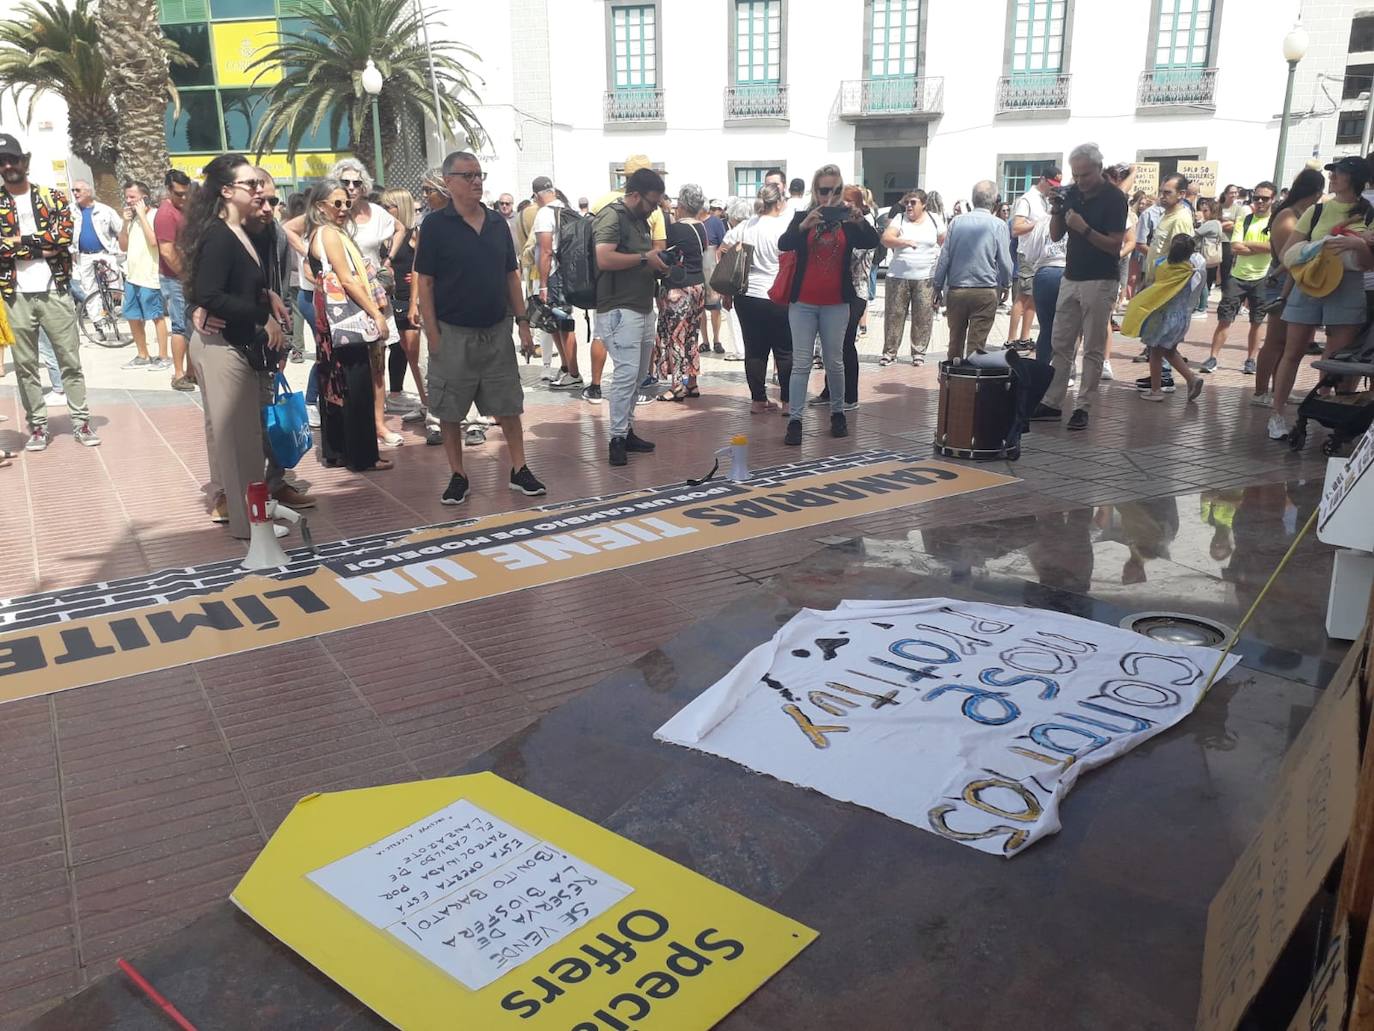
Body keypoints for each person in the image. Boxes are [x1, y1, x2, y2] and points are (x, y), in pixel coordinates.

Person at [414, 151, 546, 501]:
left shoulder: (496, 223)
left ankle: (519, 469)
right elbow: (424, 282)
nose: (476, 181)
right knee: (450, 409)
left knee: (508, 404)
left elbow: (511, 275)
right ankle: (458, 475)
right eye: (468, 175)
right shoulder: (435, 226)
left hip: (496, 331)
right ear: (449, 182)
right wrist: (434, 335)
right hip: (452, 332)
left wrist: (523, 323)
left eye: (479, 174)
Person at [182, 154, 288, 537]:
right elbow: (209, 292)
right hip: (221, 346)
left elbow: (236, 283)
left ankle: (256, 520)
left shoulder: (245, 231)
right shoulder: (218, 235)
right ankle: (249, 527)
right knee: (237, 444)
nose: (260, 189)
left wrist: (266, 295)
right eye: (251, 185)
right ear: (226, 191)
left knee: (248, 440)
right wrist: (262, 317)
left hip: (238, 346)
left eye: (260, 185)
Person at [0, 131, 99, 450]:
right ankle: (38, 427)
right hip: (14, 294)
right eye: (1, 162)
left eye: (12, 159)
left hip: (55, 289)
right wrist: (39, 243)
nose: (7, 166)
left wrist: (17, 245)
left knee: (69, 359)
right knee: (25, 365)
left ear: (23, 161)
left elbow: (62, 240)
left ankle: (81, 422)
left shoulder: (53, 197)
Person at [1271, 156, 1374, 440]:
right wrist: (1319, 245)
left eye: (1339, 173)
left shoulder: (1369, 213)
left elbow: (1369, 263)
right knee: (1292, 352)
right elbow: (1288, 253)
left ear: (1355, 178)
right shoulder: (1316, 211)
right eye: (1333, 173)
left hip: (1348, 286)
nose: (1333, 177)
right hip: (1311, 283)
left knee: (1337, 359)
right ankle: (1277, 414)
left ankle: (1331, 416)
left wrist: (1356, 244)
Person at [1030, 142, 1129, 432]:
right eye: (1076, 175)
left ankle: (1083, 406)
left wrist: (1084, 227)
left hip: (1101, 279)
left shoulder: (1114, 198)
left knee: (1093, 347)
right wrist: (1058, 211)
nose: (1080, 181)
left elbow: (1114, 245)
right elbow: (1056, 233)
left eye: (1085, 175)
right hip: (1071, 276)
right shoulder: (1072, 192)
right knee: (1060, 343)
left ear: (1099, 169)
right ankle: (1052, 402)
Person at [777, 163, 879, 445]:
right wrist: (803, 225)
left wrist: (859, 219)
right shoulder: (803, 215)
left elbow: (872, 242)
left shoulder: (847, 219)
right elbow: (784, 244)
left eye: (835, 190)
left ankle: (838, 413)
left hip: (836, 302)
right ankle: (795, 421)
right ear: (815, 189)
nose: (829, 196)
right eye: (824, 190)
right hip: (804, 303)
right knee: (801, 363)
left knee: (835, 362)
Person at [305, 178, 392, 475]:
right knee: (356, 385)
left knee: (335, 384)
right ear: (320, 207)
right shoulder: (329, 234)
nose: (343, 208)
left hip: (330, 322)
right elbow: (347, 279)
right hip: (348, 320)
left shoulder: (318, 233)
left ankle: (337, 450)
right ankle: (363, 455)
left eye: (346, 203)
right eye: (336, 203)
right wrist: (376, 314)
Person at [591, 165, 668, 465]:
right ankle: (617, 438)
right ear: (634, 195)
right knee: (625, 375)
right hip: (619, 309)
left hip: (641, 306)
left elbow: (641, 259)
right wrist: (643, 257)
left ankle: (626, 429)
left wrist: (658, 263)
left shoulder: (640, 221)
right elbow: (604, 257)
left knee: (637, 376)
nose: (654, 210)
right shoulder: (612, 216)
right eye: (651, 203)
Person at [328, 159, 407, 448]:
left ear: (365, 185)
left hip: (376, 296)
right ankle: (355, 426)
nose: (351, 188)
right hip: (344, 299)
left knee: (377, 364)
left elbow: (400, 228)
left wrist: (387, 261)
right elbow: (293, 229)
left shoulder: (377, 213)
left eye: (356, 182)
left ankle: (378, 424)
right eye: (345, 182)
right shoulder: (333, 213)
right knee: (348, 364)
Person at [1252, 169, 1323, 408]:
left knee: (1290, 343)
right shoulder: (1288, 216)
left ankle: (1279, 388)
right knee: (1275, 340)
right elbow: (1287, 258)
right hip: (1282, 279)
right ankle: (1261, 391)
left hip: (1299, 279)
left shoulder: (1302, 214)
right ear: (1315, 192)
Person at [721, 183, 792, 412]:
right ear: (779, 201)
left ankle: (758, 400)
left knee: (754, 349)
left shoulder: (746, 225)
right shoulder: (784, 226)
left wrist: (728, 288)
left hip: (747, 293)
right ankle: (788, 402)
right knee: (784, 349)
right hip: (778, 293)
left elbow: (723, 249)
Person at [931, 180, 1013, 360]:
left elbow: (944, 257)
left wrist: (937, 286)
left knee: (955, 340)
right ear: (994, 201)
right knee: (977, 345)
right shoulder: (998, 225)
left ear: (973, 199)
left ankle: (951, 382)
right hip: (985, 290)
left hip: (957, 289)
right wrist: (1007, 284)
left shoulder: (956, 223)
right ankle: (972, 383)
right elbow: (1005, 261)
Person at [1121, 233, 1206, 403]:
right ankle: (1191, 378)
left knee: (1155, 352)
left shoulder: (1162, 265)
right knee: (1169, 351)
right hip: (1181, 318)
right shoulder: (1192, 269)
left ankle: (1156, 390)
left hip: (1162, 318)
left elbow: (1152, 284)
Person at [814, 184, 874, 411]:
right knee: (831, 345)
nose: (845, 205)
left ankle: (850, 396)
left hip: (856, 292)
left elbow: (856, 255)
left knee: (845, 343)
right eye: (842, 201)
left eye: (849, 201)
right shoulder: (837, 225)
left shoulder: (861, 227)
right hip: (834, 293)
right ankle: (830, 390)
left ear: (858, 204)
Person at [1205, 181, 1275, 375]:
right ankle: (1213, 357)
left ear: (1273, 199)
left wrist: (1249, 245)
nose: (1260, 201)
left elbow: (1273, 247)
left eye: (1265, 198)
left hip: (1262, 277)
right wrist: (1260, 247)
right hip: (1237, 276)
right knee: (1225, 318)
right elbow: (1235, 246)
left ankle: (1251, 360)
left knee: (1257, 321)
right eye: (1257, 197)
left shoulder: (1274, 222)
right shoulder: (1245, 220)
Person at [380, 187, 430, 430]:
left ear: (400, 207)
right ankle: (425, 403)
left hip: (409, 302)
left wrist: (415, 297)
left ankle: (430, 404)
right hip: (390, 301)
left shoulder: (414, 233)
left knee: (416, 355)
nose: (384, 210)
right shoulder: (386, 234)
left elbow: (421, 265)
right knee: (407, 354)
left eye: (388, 206)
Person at [654, 183, 708, 402]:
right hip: (698, 286)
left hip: (679, 287)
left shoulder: (675, 229)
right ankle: (692, 382)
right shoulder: (701, 227)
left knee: (675, 335)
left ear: (683, 204)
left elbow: (666, 256)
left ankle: (677, 385)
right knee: (692, 334)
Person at [880, 189, 944, 367]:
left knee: (923, 316)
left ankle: (918, 353)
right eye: (907, 202)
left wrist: (942, 269)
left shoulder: (934, 220)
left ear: (923, 205)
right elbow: (886, 238)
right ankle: (889, 352)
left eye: (913, 202)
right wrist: (904, 242)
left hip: (926, 277)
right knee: (894, 315)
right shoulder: (900, 219)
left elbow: (944, 242)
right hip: (898, 276)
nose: (908, 205)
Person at [531, 175, 582, 388]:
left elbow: (545, 251)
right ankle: (565, 367)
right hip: (568, 273)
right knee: (556, 322)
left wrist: (543, 284)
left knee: (562, 323)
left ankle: (574, 373)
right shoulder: (567, 209)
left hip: (554, 276)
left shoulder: (544, 214)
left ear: (536, 196)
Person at [117, 180, 170, 370]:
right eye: (127, 197)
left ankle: (163, 356)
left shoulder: (156, 216)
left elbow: (154, 242)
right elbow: (123, 246)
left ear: (144, 197)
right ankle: (142, 354)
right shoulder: (132, 220)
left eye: (133, 197)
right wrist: (125, 222)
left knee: (156, 316)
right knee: (132, 316)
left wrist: (142, 215)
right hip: (132, 276)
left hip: (150, 276)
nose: (128, 200)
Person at [1007, 166, 1061, 352]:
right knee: (1023, 296)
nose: (1052, 188)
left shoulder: (1045, 200)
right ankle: (1011, 338)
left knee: (1034, 298)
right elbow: (1016, 228)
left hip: (1041, 254)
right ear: (1042, 179)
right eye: (1051, 183)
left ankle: (1024, 337)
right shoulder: (1027, 199)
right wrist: (1039, 224)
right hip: (1028, 252)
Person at [156, 168, 195, 390]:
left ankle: (191, 372)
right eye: (179, 194)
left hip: (188, 277)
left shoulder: (185, 210)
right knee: (180, 326)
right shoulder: (165, 215)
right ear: (169, 190)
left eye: (186, 193)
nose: (184, 198)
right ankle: (179, 373)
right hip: (175, 278)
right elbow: (167, 252)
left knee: (191, 327)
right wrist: (185, 276)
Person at [69, 178, 122, 323]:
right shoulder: (70, 211)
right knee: (90, 290)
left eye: (78, 190)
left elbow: (120, 229)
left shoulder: (105, 210)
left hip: (105, 253)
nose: (74, 193)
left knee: (115, 283)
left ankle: (116, 308)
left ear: (88, 191)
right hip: (84, 256)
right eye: (73, 190)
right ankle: (99, 322)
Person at [700, 198, 727, 353]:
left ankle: (716, 339)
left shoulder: (715, 222)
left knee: (715, 306)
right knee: (699, 307)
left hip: (712, 266)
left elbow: (723, 243)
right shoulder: (694, 222)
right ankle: (705, 341)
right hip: (697, 267)